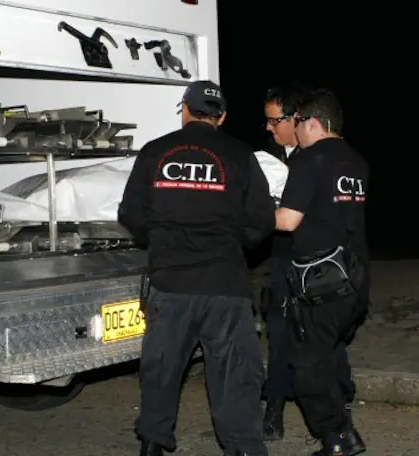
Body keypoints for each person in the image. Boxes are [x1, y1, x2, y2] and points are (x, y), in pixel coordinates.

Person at [117, 80, 276, 456]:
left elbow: (130, 213)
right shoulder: (240, 155)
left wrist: (161, 238)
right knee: (235, 373)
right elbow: (261, 220)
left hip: (170, 283)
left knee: (161, 370)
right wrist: (234, 242)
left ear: (185, 110)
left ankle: (153, 443)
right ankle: (243, 448)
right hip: (225, 285)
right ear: (222, 117)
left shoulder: (156, 152)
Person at [260, 84, 361, 446]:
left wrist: (246, 215)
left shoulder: (313, 158)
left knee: (314, 357)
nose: (270, 127)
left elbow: (290, 219)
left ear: (301, 120)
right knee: (287, 340)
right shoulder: (350, 159)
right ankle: (283, 410)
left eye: (276, 120)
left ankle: (338, 429)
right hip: (311, 267)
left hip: (320, 271)